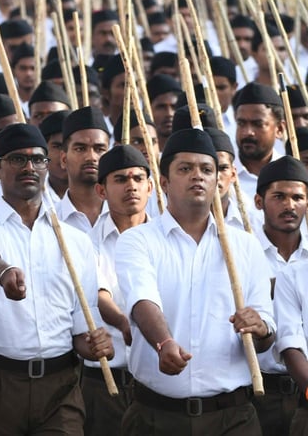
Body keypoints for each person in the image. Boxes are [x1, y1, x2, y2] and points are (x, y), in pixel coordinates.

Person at [0, 123, 113, 435]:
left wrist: (98, 344)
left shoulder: (74, 241)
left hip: (60, 388)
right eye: (17, 159)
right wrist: (3, 274)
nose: (29, 167)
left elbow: (83, 331)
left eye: (38, 159)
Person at [115, 128, 275, 434]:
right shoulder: (137, 241)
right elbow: (142, 300)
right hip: (156, 415)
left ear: (218, 180)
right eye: (185, 169)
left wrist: (260, 327)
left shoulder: (245, 245)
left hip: (233, 417)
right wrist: (164, 343)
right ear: (163, 182)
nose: (197, 176)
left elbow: (266, 333)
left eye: (206, 169)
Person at [84, 145, 153, 434]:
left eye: (138, 179)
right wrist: (126, 322)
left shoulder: (167, 240)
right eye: (121, 179)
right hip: (106, 382)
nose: (132, 186)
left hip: (156, 384)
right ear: (101, 190)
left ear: (150, 186)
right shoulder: (86, 241)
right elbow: (99, 295)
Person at [250, 156, 308, 434]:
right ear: (259, 202)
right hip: (259, 393)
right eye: (279, 196)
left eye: (298, 197)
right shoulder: (241, 254)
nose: (289, 205)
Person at [56, 107, 112, 233]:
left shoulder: (126, 216)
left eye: (99, 149)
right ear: (64, 159)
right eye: (80, 149)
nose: (91, 157)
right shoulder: (50, 221)